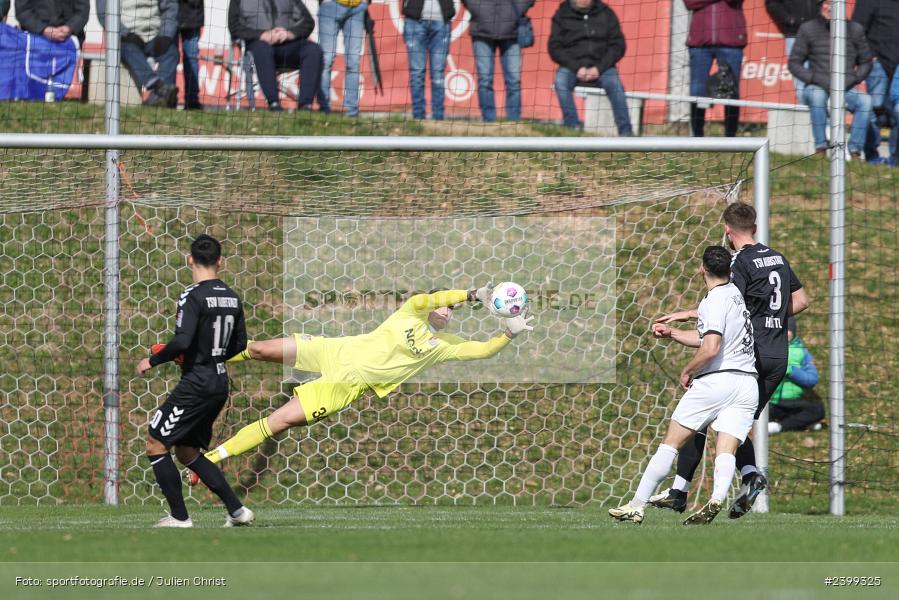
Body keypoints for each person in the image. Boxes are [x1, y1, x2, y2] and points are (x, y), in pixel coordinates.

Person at [196, 286, 534, 473]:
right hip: (336, 351)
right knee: (258, 349)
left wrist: (508, 334)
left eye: (452, 311)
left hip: (345, 387)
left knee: (278, 421)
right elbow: (425, 299)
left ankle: (209, 461)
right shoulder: (410, 311)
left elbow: (482, 351)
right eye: (445, 306)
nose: (447, 311)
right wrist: (471, 294)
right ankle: (192, 355)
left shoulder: (441, 346)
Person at [649, 201, 809, 519]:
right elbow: (802, 300)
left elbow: (729, 307)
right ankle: (743, 477)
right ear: (756, 227)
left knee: (704, 414)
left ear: (726, 230)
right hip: (778, 356)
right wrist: (770, 316)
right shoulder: (777, 256)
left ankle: (682, 491)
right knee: (730, 424)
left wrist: (687, 313)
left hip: (751, 353)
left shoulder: (741, 261)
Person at [609, 246, 758, 526]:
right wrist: (674, 332)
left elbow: (711, 347)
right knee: (726, 447)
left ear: (702, 269)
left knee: (671, 443)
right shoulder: (735, 295)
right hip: (747, 383)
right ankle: (716, 499)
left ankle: (636, 505)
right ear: (731, 270)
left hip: (718, 380)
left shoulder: (713, 300)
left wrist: (688, 371)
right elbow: (709, 338)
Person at [136, 235, 254, 528]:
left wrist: (153, 360)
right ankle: (238, 511)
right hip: (218, 383)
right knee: (187, 452)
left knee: (155, 442)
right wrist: (210, 354)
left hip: (197, 384)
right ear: (220, 261)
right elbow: (240, 344)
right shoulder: (231, 296)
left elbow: (182, 340)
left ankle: (179, 518)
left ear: (190, 260)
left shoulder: (192, 295)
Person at [788, 0, 873, 158]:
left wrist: (853, 79)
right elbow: (794, 63)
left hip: (844, 87)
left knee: (866, 102)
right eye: (825, 3)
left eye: (832, 3)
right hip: (816, 85)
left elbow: (866, 62)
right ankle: (820, 147)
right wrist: (814, 78)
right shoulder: (808, 28)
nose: (828, 7)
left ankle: (855, 150)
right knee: (817, 95)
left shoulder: (855, 29)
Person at [548, 0, 633, 134]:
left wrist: (598, 68)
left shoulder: (606, 13)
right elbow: (554, 47)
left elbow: (618, 45)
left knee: (615, 85)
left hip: (603, 67)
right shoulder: (562, 14)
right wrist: (576, 67)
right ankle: (572, 128)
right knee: (560, 82)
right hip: (571, 66)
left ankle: (626, 132)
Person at [228, 0, 324, 112]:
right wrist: (261, 35)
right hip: (257, 45)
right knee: (263, 48)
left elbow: (308, 22)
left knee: (313, 49)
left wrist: (290, 33)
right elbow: (234, 28)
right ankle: (274, 104)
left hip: (287, 46)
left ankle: (305, 106)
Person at [97, 0, 180, 108]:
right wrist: (125, 33)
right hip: (126, 36)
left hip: (155, 35)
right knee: (126, 49)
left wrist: (165, 35)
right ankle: (156, 85)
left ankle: (159, 98)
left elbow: (170, 8)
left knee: (171, 52)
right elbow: (104, 14)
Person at [462, 0, 535, 122]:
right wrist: (479, 10)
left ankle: (514, 121)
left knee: (514, 80)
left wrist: (515, 12)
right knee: (485, 79)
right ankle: (488, 120)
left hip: (512, 31)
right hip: (482, 29)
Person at [685, 0, 747, 138]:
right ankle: (697, 135)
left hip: (730, 42)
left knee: (731, 90)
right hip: (700, 43)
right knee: (698, 91)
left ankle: (730, 136)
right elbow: (689, 3)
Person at [851, 0, 899, 165]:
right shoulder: (869, 2)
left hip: (897, 66)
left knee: (896, 111)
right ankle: (871, 154)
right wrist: (869, 56)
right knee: (874, 109)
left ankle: (895, 158)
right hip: (878, 63)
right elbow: (857, 28)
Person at [402, 0, 456, 120]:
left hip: (441, 20)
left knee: (438, 74)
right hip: (414, 19)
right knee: (417, 72)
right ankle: (418, 116)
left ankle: (438, 117)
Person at [768, 317, 823, 434]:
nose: (786, 333)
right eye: (782, 330)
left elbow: (812, 379)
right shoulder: (769, 348)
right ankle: (801, 424)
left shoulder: (801, 351)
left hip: (796, 401)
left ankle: (779, 426)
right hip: (774, 402)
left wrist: (790, 370)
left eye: (789, 330)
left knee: (818, 410)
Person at [318, 0, 368, 116]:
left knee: (353, 62)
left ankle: (351, 111)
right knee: (326, 60)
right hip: (330, 6)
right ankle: (324, 109)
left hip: (357, 7)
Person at [764, 0, 819, 101]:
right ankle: (806, 112)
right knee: (802, 81)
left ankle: (818, 112)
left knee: (821, 79)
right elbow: (772, 3)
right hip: (795, 34)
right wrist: (789, 19)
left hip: (819, 33)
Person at [13, 0, 89, 45]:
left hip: (69, 41)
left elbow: (83, 10)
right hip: (34, 41)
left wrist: (69, 28)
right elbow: (22, 11)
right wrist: (43, 29)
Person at [178, 0, 204, 110]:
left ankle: (192, 100)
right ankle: (166, 97)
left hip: (192, 15)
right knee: (170, 55)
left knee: (191, 58)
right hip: (169, 13)